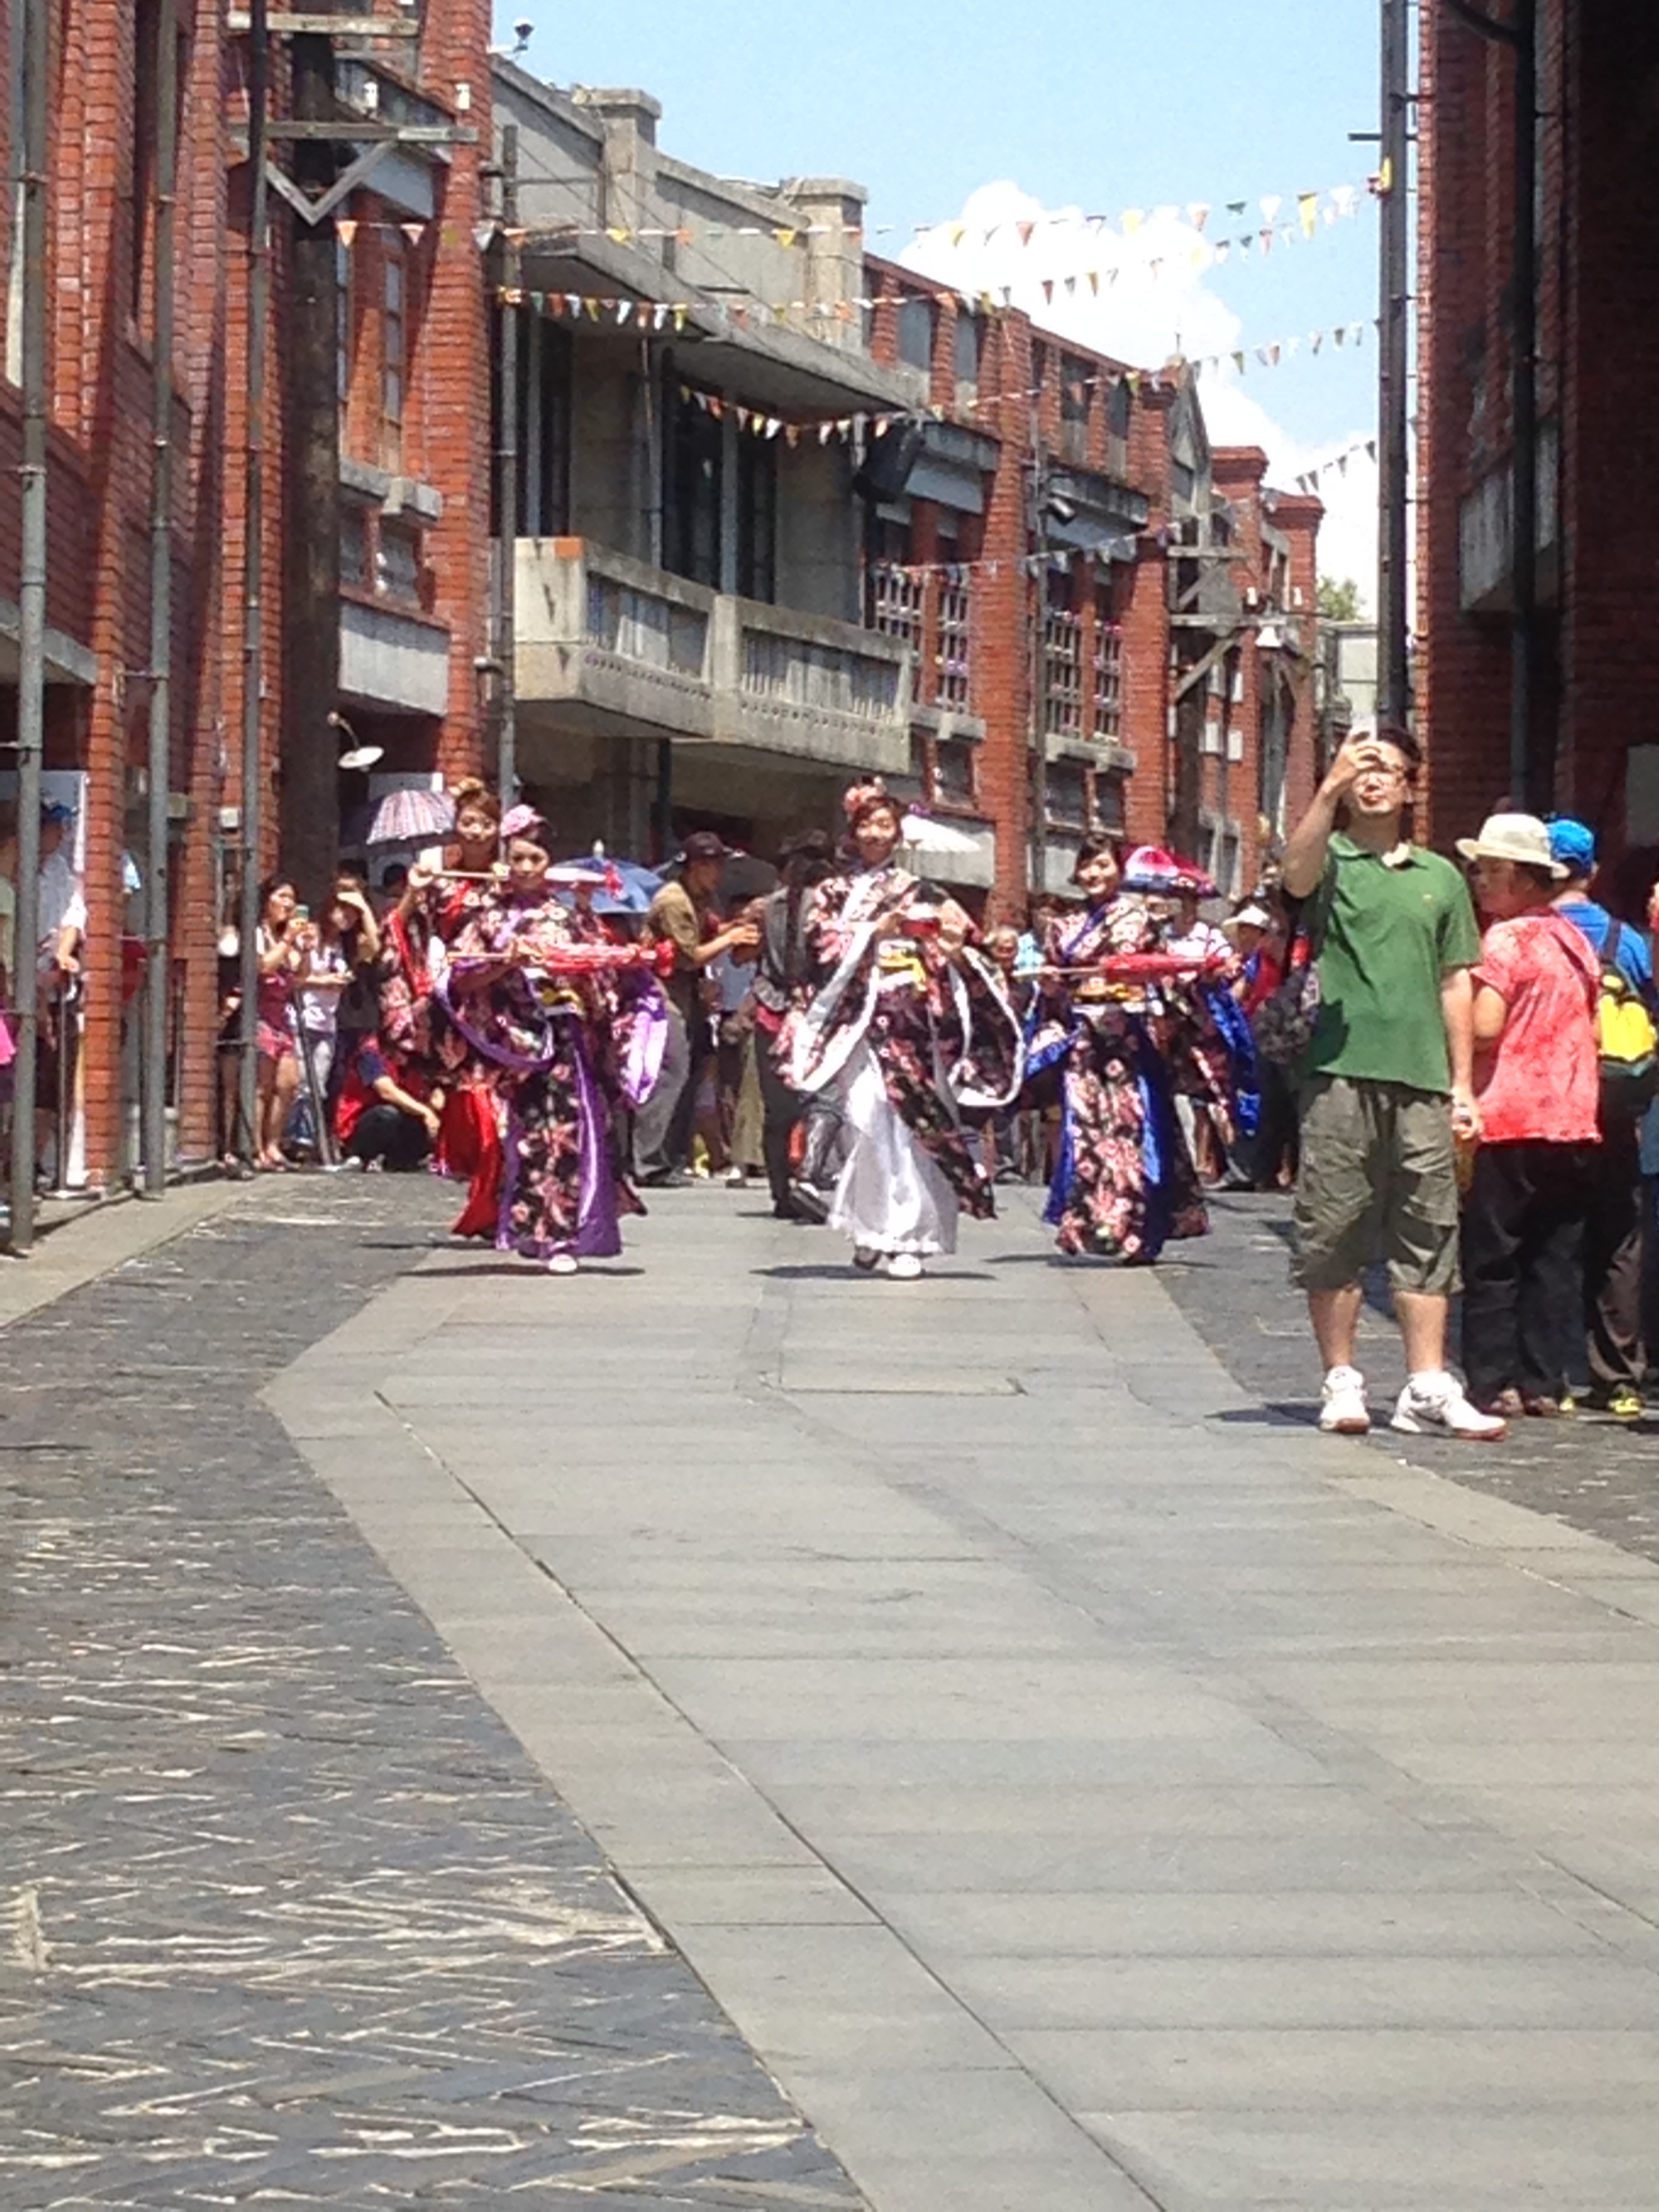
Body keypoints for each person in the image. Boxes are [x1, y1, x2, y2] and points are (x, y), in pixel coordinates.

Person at [1279, 725, 1503, 1440]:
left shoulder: (1441, 877)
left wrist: (1463, 1084)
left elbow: (1455, 982)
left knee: (1428, 1228)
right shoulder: (1333, 859)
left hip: (1422, 1078)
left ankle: (1427, 1384)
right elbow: (1294, 878)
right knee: (1334, 1225)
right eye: (1363, 770)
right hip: (1340, 1071)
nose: (1373, 780)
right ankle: (1341, 1378)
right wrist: (1328, 788)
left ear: (1410, 788)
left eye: (1388, 771)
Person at [783, 781, 1021, 1279]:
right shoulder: (834, 891)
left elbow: (966, 942)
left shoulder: (923, 891)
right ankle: (871, 1227)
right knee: (864, 1120)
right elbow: (818, 943)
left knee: (908, 1125)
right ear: (853, 832)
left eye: (884, 825)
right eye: (866, 825)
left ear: (897, 833)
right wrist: (874, 930)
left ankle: (910, 1235)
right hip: (856, 1017)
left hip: (910, 1017)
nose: (875, 833)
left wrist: (950, 946)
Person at [439, 805, 668, 1273]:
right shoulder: (488, 916)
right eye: (518, 859)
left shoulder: (566, 916)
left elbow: (602, 971)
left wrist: (595, 960)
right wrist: (506, 963)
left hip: (566, 1037)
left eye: (536, 859)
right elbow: (462, 978)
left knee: (566, 1133)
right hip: (512, 1041)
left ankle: (562, 1235)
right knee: (524, 1137)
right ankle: (529, 1225)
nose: (526, 868)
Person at [1457, 814, 1601, 1416]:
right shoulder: (1576, 941)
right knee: (1554, 1255)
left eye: (1491, 870)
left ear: (1520, 878)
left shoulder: (1505, 940)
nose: (1480, 881)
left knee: (1494, 1256)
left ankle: (1493, 1380)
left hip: (1510, 1115)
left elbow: (1486, 1026)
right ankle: (1544, 1379)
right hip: (1573, 1116)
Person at [1024, 836, 1218, 1262]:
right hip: (1084, 1039)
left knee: (1134, 1131)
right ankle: (1091, 1225)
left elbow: (1165, 978)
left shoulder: (1140, 920)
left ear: (1120, 870)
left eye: (1103, 865)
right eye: (1087, 866)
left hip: (1128, 1038)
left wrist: (1160, 983)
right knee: (1086, 1134)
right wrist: (1051, 984)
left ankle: (1139, 1230)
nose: (1094, 874)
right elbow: (1055, 987)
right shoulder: (1063, 926)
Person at [1549, 817, 1657, 1418]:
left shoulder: (1526, 933)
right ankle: (1618, 1376)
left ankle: (1553, 1374)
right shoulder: (1626, 939)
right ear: (1591, 872)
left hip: (1549, 1107)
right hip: (1614, 1105)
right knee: (1618, 1239)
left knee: (1553, 1239)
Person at [634, 832, 759, 1185]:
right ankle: (648, 1161)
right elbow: (689, 956)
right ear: (696, 867)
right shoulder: (674, 901)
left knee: (688, 1075)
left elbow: (708, 934)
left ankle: (673, 1156)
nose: (719, 873)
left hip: (688, 996)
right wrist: (730, 939)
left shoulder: (701, 899)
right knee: (669, 1073)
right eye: (713, 865)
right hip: (662, 995)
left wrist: (739, 924)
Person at [752, 828, 834, 1221]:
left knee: (778, 1111)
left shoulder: (768, 907)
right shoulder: (831, 907)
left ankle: (781, 1192)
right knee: (823, 1101)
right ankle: (809, 1177)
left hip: (772, 1009)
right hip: (818, 1012)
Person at [332, 1037, 442, 1172]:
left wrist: (437, 1097)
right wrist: (425, 1112)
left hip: (398, 1123)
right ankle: (362, 1155)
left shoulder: (416, 1059)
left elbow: (431, 1090)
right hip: (360, 1123)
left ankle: (403, 1160)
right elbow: (386, 1091)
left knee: (419, 1119)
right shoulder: (369, 1054)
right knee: (388, 1115)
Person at [253, 876, 304, 1168]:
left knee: (288, 1083)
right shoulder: (259, 934)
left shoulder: (289, 938)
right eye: (282, 897)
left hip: (282, 1018)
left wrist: (304, 947)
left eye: (291, 899)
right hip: (259, 1014)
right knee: (262, 1086)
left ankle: (273, 1143)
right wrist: (286, 941)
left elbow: (300, 976)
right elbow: (264, 966)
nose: (288, 904)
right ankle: (256, 1147)